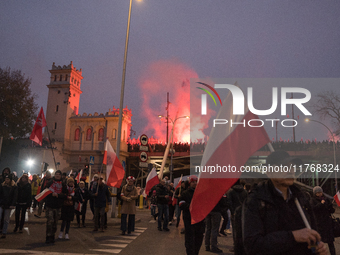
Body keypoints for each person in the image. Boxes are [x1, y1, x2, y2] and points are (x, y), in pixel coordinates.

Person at [243, 151, 328, 255]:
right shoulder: (257, 200)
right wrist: (292, 237)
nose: (290, 170)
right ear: (269, 172)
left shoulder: (301, 198)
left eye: (292, 166)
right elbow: (252, 245)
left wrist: (317, 248)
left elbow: (311, 234)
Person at [180, 175, 205, 255]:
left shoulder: (200, 193)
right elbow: (181, 204)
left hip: (199, 220)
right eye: (193, 182)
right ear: (189, 183)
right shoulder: (185, 193)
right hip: (189, 219)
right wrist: (192, 207)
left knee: (199, 238)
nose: (194, 183)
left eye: (196, 182)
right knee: (190, 239)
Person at [311, 186, 336, 255]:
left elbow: (331, 210)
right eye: (317, 193)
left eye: (320, 192)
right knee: (317, 241)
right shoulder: (313, 200)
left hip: (328, 223)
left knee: (330, 243)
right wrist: (321, 204)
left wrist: (330, 207)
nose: (319, 194)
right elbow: (313, 209)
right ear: (315, 193)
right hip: (319, 224)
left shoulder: (326, 199)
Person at [44, 170, 67, 244]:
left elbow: (65, 195)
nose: (57, 176)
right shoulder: (50, 182)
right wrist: (51, 194)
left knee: (55, 223)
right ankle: (48, 236)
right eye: (56, 174)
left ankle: (52, 236)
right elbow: (45, 191)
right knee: (50, 221)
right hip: (50, 205)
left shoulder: (63, 184)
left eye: (59, 174)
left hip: (58, 206)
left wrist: (58, 195)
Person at [0, 174, 18, 238]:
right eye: (5, 179)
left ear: (10, 180)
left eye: (7, 179)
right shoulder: (2, 186)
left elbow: (14, 196)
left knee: (6, 219)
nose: (6, 180)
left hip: (8, 204)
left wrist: (12, 204)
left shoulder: (14, 187)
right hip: (2, 203)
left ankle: (4, 232)